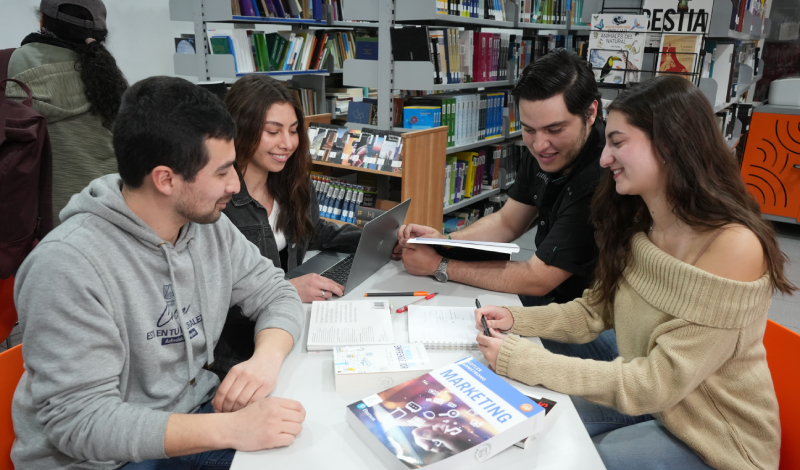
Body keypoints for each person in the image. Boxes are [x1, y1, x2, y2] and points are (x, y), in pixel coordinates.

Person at [475, 75, 794, 470]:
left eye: (618, 142)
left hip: (717, 440)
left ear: (671, 145)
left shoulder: (734, 246)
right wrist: (515, 319)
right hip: (660, 405)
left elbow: (655, 382)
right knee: (533, 419)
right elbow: (594, 312)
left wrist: (526, 360)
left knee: (571, 457)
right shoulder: (642, 219)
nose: (605, 158)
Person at [11, 76, 306, 470]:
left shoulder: (208, 227)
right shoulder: (67, 266)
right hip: (103, 459)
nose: (235, 186)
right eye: (221, 173)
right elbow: (82, 424)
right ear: (165, 179)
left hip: (190, 419)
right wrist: (233, 429)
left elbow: (276, 292)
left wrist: (265, 359)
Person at [397, 48, 617, 361]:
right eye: (529, 129)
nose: (540, 145)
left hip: (595, 324)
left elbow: (537, 278)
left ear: (591, 113)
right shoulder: (546, 151)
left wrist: (439, 265)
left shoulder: (600, 177)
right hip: (555, 303)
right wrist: (440, 241)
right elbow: (508, 222)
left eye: (555, 129)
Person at [212, 74, 361, 376]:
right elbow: (207, 299)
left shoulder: (292, 183)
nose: (288, 143)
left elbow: (311, 229)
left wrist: (384, 237)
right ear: (241, 130)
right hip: (241, 356)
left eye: (294, 131)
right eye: (273, 131)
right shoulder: (216, 203)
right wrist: (286, 290)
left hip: (292, 330)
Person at [7, 0, 128, 226]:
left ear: (43, 21)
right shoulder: (113, 81)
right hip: (112, 218)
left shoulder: (9, 68)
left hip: (43, 225)